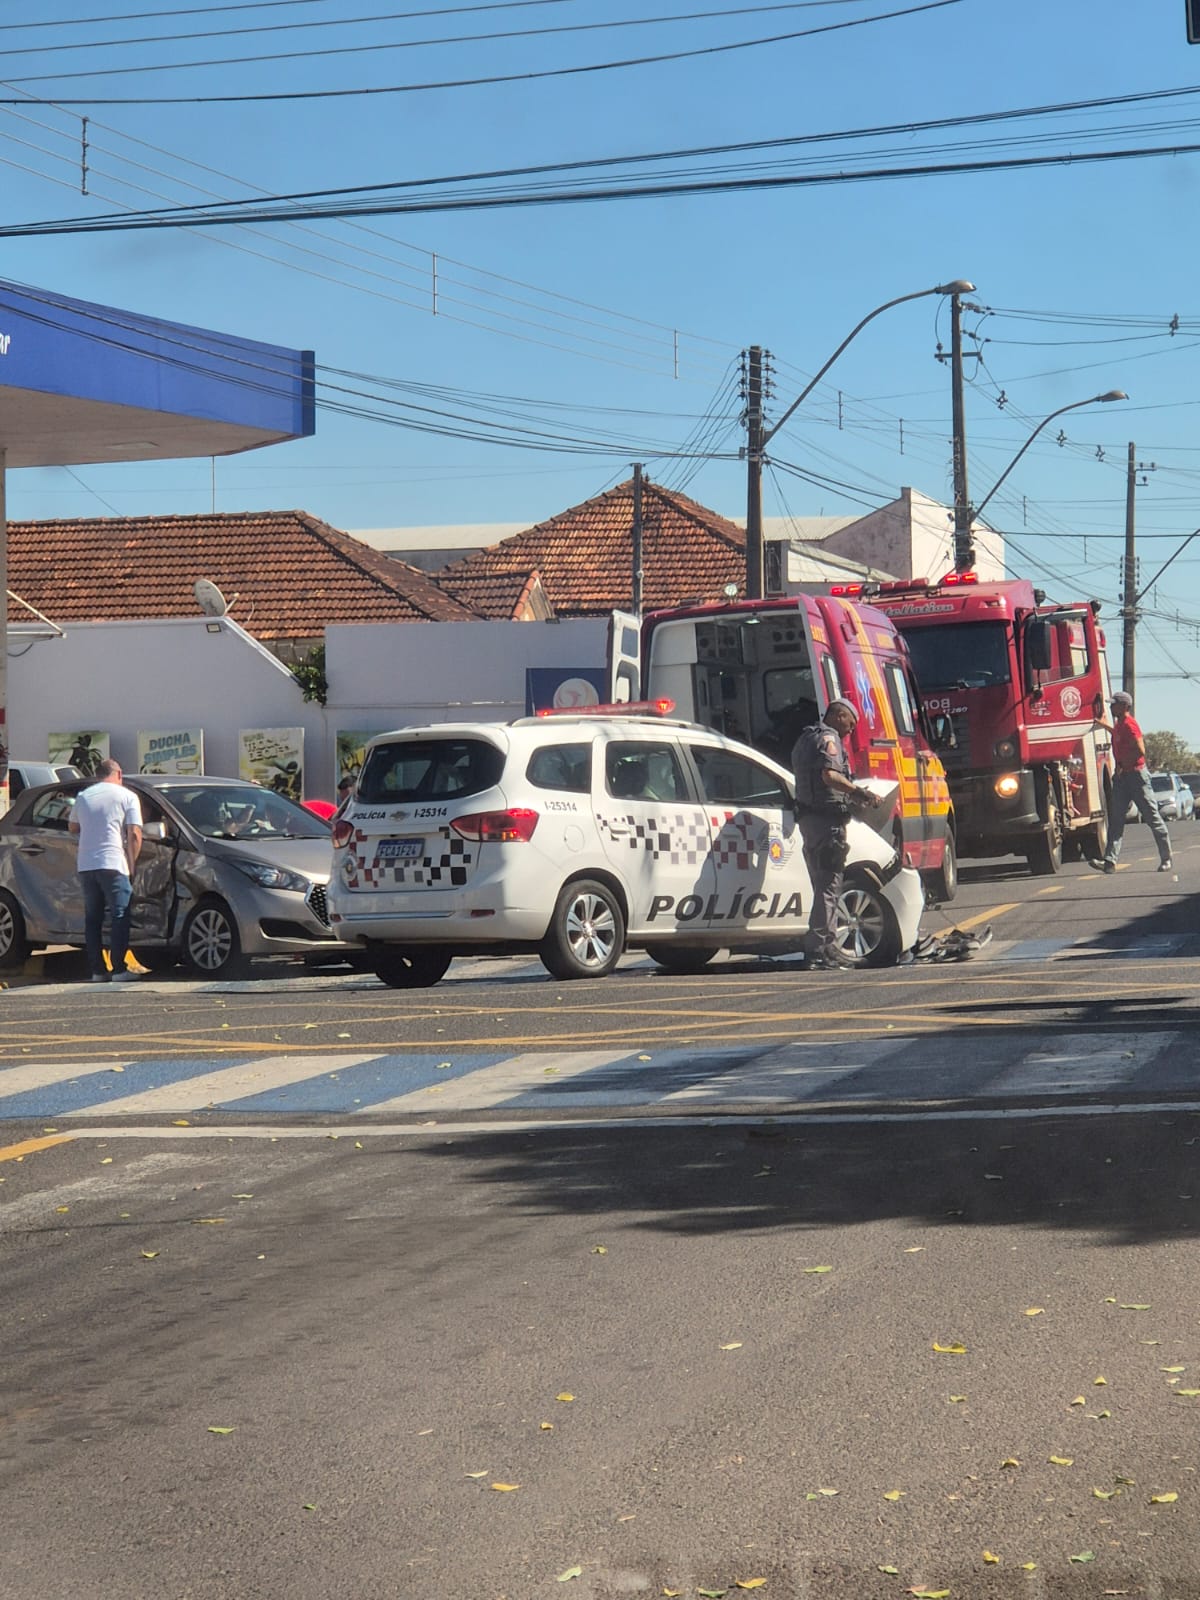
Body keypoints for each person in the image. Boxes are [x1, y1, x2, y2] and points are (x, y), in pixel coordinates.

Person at [791, 699, 880, 971]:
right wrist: (858, 792)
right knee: (829, 887)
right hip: (826, 823)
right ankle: (821, 950)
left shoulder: (806, 737)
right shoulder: (829, 739)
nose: (850, 731)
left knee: (822, 887)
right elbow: (830, 776)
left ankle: (825, 947)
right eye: (850, 724)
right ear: (839, 716)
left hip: (810, 821)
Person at [68, 758, 143, 984]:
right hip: (113, 863)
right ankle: (119, 969)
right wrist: (131, 864)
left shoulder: (84, 796)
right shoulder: (127, 796)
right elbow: (135, 835)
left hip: (87, 865)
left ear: (98, 775)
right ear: (118, 774)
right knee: (120, 915)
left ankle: (98, 972)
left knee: (93, 919)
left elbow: (72, 827)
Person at [1088, 690, 1172, 874]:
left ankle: (1166, 858)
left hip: (1136, 776)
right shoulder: (1119, 725)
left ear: (1125, 706)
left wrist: (1124, 764)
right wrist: (1104, 726)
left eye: (1115, 704)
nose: (1111, 706)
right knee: (1116, 820)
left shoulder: (1130, 725)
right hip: (1122, 778)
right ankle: (1109, 862)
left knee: (1152, 818)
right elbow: (1119, 736)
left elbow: (1140, 750)